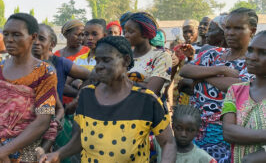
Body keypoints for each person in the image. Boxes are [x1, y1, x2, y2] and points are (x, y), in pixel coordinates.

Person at [39, 36, 176, 163]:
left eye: (106, 60)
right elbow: (79, 140)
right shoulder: (87, 95)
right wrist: (58, 154)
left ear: (126, 60)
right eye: (97, 61)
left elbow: (168, 143)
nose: (99, 66)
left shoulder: (146, 100)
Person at [179, 7, 258, 162]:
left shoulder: (254, 61)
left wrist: (202, 76)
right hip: (195, 133)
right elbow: (186, 70)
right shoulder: (213, 54)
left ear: (252, 31)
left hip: (227, 136)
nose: (230, 33)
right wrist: (221, 69)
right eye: (228, 28)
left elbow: (236, 86)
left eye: (238, 28)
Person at [0, 13, 58, 163]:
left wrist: (3, 152)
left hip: (28, 153)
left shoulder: (44, 72)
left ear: (33, 37)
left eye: (16, 35)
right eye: (6, 34)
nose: (9, 39)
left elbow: (43, 120)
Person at [32, 24, 90, 159]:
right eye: (33, 38)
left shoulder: (60, 63)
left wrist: (78, 97)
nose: (36, 42)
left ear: (52, 44)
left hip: (54, 123)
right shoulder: (21, 64)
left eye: (41, 38)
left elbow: (92, 76)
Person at [222, 31, 266, 163]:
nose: (252, 57)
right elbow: (228, 132)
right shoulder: (235, 91)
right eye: (250, 50)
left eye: (263, 52)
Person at [124, 12, 172, 97]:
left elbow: (151, 91)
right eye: (125, 31)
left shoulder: (161, 56)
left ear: (145, 33)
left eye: (130, 32)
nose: (126, 35)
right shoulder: (123, 56)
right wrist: (142, 84)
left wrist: (121, 82)